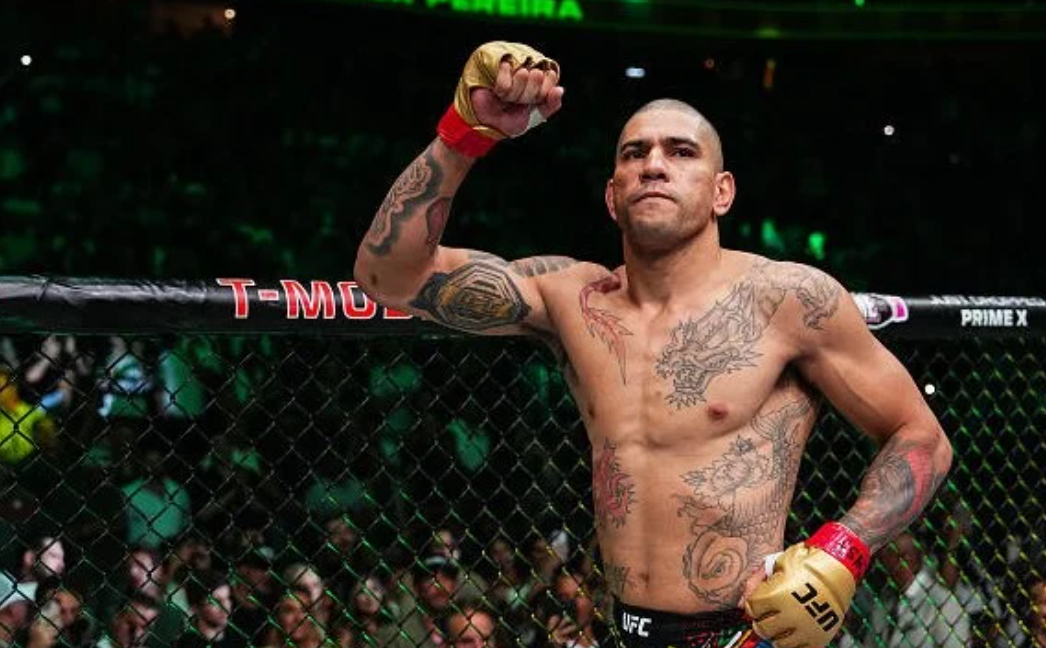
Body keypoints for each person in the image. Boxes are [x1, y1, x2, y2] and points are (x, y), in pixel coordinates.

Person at [353, 41, 953, 648]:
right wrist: (465, 133)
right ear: (612, 196)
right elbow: (389, 276)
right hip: (622, 630)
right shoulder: (573, 299)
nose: (654, 165)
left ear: (722, 192)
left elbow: (922, 436)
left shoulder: (787, 300)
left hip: (750, 633)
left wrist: (843, 548)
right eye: (634, 153)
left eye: (681, 152)